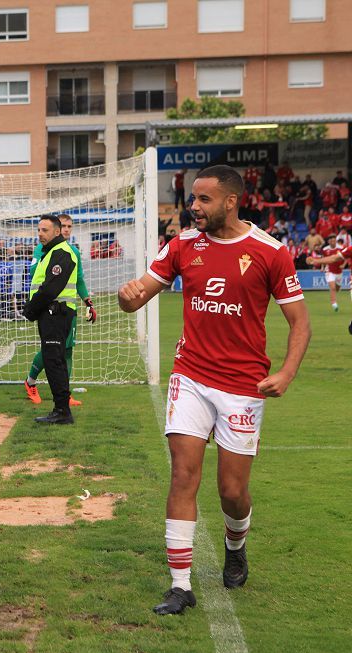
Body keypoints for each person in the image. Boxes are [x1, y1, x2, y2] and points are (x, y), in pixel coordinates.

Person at [118, 165, 310, 616]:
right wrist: (129, 297)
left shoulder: (270, 252)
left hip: (244, 386)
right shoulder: (183, 244)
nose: (194, 207)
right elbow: (141, 292)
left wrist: (285, 373)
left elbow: (300, 322)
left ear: (230, 201)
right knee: (183, 476)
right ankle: (180, 585)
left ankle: (235, 543)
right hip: (191, 376)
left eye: (203, 200)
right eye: (191, 199)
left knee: (231, 491)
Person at [25, 213, 96, 406]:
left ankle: (66, 394)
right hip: (49, 309)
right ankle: (31, 381)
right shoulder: (42, 249)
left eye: (69, 226)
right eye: (63, 226)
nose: (66, 229)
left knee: (68, 349)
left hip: (68, 309)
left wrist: (87, 301)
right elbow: (34, 273)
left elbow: (79, 278)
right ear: (57, 229)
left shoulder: (73, 251)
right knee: (51, 349)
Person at [23, 215, 78, 425]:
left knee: (53, 361)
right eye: (38, 230)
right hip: (51, 314)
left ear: (57, 232)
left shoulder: (63, 253)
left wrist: (30, 309)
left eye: (44, 230)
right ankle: (62, 409)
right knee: (56, 360)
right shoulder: (50, 253)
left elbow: (50, 288)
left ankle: (62, 410)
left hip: (56, 314)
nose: (40, 234)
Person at [308, 234, 352, 312]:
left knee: (337, 288)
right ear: (328, 241)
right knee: (332, 287)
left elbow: (344, 258)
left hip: (339, 271)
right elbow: (328, 258)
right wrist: (321, 265)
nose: (332, 242)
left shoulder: (341, 247)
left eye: (334, 240)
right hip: (329, 270)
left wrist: (343, 264)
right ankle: (334, 303)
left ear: (336, 240)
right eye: (331, 240)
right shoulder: (325, 249)